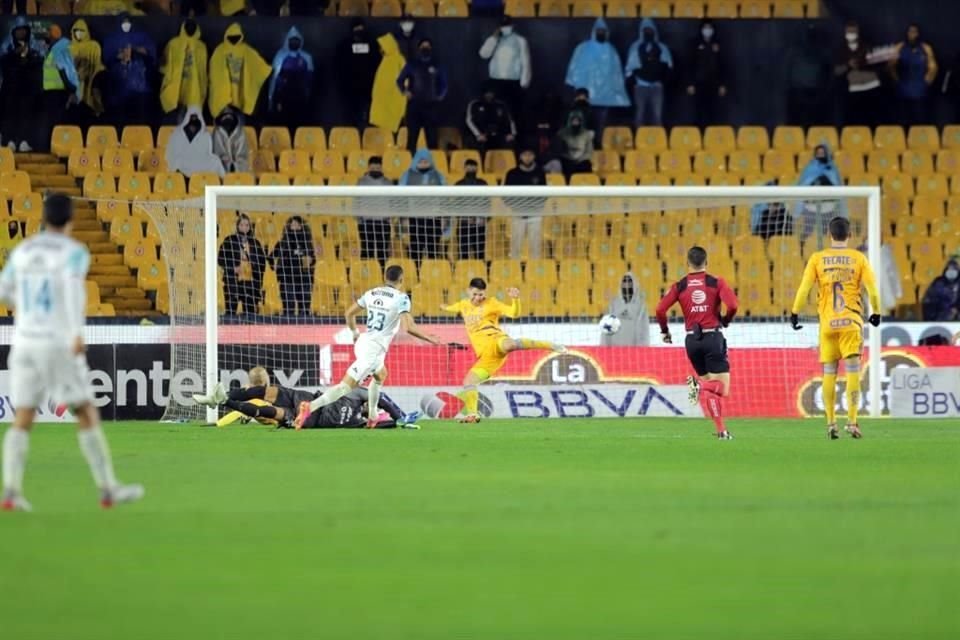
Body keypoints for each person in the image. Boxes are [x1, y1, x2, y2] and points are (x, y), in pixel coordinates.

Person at [0, 194, 144, 512]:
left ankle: (10, 492)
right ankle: (108, 489)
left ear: (43, 217)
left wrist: (27, 310)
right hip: (56, 342)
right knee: (86, 411)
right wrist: (74, 333)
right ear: (70, 219)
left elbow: (3, 289)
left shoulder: (24, 250)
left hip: (23, 341)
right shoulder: (74, 253)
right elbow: (71, 290)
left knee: (23, 416)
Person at [294, 265, 441, 429]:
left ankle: (372, 416)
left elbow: (349, 314)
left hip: (364, 341)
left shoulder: (372, 293)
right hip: (373, 349)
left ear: (385, 277)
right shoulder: (401, 298)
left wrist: (355, 333)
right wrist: (429, 338)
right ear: (401, 280)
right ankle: (310, 407)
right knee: (345, 387)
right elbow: (408, 327)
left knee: (380, 375)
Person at [791, 217, 880, 440]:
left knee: (829, 373)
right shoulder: (858, 258)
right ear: (850, 236)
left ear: (830, 235)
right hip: (850, 322)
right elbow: (872, 289)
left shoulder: (817, 258)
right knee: (852, 372)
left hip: (828, 324)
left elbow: (804, 289)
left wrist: (795, 312)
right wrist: (876, 312)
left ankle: (831, 423)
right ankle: (852, 422)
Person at [442, 278, 566, 423]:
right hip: (487, 358)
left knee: (510, 345)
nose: (478, 298)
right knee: (469, 381)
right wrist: (443, 307)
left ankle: (549, 345)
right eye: (475, 294)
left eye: (481, 295)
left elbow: (514, 313)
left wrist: (516, 300)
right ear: (468, 291)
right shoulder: (463, 305)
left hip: (496, 340)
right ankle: (472, 415)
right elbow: (452, 308)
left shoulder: (491, 303)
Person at [655, 246, 739, 440]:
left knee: (713, 388)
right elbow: (733, 305)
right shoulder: (716, 282)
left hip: (692, 341)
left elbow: (660, 309)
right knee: (722, 388)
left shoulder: (680, 285)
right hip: (712, 338)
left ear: (688, 263)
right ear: (706, 262)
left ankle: (721, 432)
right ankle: (699, 386)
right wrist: (725, 320)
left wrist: (665, 332)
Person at [565, 18, 629, 136]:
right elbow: (574, 66)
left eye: (603, 31)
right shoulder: (583, 48)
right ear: (594, 31)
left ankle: (599, 145)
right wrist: (574, 83)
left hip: (605, 96)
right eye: (599, 31)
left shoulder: (611, 50)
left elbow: (616, 73)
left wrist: (617, 90)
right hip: (585, 96)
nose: (601, 33)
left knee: (601, 125)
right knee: (582, 122)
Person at [193, 366, 316, 427]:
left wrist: (218, 424)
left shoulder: (256, 398)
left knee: (271, 411)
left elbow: (235, 414)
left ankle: (221, 399)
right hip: (310, 401)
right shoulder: (263, 394)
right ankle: (217, 399)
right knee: (270, 398)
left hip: (310, 414)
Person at [102, 14, 157, 128]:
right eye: (124, 22)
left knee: (140, 125)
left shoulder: (142, 36)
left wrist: (135, 49)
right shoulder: (111, 38)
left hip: (139, 88)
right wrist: (120, 55)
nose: (126, 24)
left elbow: (151, 54)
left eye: (128, 22)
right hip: (118, 90)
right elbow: (106, 59)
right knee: (120, 124)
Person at [397, 38, 448, 155]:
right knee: (412, 139)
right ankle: (410, 165)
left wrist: (439, 96)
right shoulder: (412, 64)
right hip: (414, 106)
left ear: (431, 48)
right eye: (423, 46)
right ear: (419, 48)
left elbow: (444, 84)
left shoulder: (437, 65)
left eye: (428, 46)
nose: (425, 48)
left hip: (430, 106)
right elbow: (399, 80)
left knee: (432, 139)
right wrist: (405, 91)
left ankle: (432, 167)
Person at [208, 23, 271, 118]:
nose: (234, 39)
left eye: (237, 36)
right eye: (232, 37)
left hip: (239, 94)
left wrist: (267, 69)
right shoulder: (220, 50)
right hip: (223, 100)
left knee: (239, 122)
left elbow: (259, 65)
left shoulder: (246, 50)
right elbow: (215, 73)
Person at [0, 19, 43, 152]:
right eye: (18, 30)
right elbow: (3, 63)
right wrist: (15, 54)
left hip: (28, 89)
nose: (21, 33)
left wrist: (28, 57)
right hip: (10, 89)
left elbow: (40, 60)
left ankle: (24, 141)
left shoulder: (34, 45)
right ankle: (10, 141)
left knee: (27, 115)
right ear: (13, 31)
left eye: (23, 30)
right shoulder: (6, 46)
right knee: (9, 115)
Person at [478, 15, 531, 120]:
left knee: (515, 111)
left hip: (513, 82)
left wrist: (525, 82)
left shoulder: (520, 40)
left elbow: (526, 61)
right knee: (495, 111)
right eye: (503, 25)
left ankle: (516, 135)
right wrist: (493, 38)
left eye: (507, 25)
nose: (505, 28)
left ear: (512, 25)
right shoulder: (494, 39)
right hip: (496, 81)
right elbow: (483, 54)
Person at [625, 18, 674, 128]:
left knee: (657, 116)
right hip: (640, 87)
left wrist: (663, 81)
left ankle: (657, 142)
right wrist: (635, 81)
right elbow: (629, 69)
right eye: (645, 30)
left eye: (650, 30)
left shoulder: (662, 48)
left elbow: (669, 67)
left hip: (657, 87)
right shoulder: (635, 47)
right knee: (639, 116)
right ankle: (638, 141)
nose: (648, 33)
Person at [400, 149, 446, 263]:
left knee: (433, 250)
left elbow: (444, 198)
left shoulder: (438, 176)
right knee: (416, 250)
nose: (424, 164)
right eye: (421, 161)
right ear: (416, 161)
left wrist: (444, 217)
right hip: (415, 219)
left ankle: (433, 274)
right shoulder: (407, 175)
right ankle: (416, 273)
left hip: (434, 219)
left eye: (426, 161)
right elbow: (401, 198)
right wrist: (404, 218)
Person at [833, 20, 882, 127]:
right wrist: (848, 65)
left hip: (870, 89)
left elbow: (878, 66)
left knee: (871, 120)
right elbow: (836, 71)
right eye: (849, 32)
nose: (851, 34)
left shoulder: (867, 47)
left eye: (853, 32)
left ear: (858, 32)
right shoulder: (840, 49)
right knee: (852, 121)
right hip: (852, 91)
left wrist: (863, 64)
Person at [217, 213, 268, 316]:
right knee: (231, 311)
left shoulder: (255, 243)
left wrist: (256, 273)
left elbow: (262, 263)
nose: (244, 227)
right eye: (242, 225)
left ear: (250, 227)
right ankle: (229, 330)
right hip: (233, 281)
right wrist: (233, 269)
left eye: (247, 225)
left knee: (250, 314)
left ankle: (250, 331)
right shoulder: (229, 240)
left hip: (251, 283)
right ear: (237, 226)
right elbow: (221, 259)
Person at [41, 25, 81, 155]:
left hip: (60, 93)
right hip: (51, 93)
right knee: (53, 124)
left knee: (59, 125)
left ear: (54, 36)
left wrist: (72, 91)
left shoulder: (60, 49)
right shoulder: (54, 49)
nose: (46, 38)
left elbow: (67, 71)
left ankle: (60, 151)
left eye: (48, 35)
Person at [786, 23, 832, 128]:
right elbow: (789, 75)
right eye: (809, 34)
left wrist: (822, 94)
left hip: (817, 95)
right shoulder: (794, 53)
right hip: (797, 94)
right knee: (796, 126)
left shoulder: (824, 54)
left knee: (817, 125)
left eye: (813, 35)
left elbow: (828, 76)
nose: (810, 38)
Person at [336, 18, 380, 130]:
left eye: (361, 29)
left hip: (367, 89)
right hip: (349, 91)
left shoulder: (372, 45)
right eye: (357, 29)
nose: (359, 32)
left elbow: (377, 64)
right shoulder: (344, 46)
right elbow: (339, 68)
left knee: (366, 121)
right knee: (349, 120)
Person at [268, 26, 314, 131]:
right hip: (284, 97)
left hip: (300, 97)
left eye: (296, 40)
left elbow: (310, 80)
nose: (294, 42)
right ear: (287, 40)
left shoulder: (307, 57)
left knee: (300, 127)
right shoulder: (280, 56)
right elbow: (274, 80)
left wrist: (308, 96)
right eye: (292, 40)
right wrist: (272, 99)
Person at [890, 23, 937, 126]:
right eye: (910, 31)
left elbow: (933, 67)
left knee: (920, 122)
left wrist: (926, 83)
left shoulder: (926, 48)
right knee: (903, 123)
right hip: (903, 89)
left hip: (920, 90)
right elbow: (890, 66)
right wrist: (897, 81)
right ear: (906, 33)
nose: (912, 34)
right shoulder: (899, 47)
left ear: (918, 33)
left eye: (915, 32)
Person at [159, 19, 208, 118]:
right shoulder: (173, 44)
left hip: (194, 88)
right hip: (176, 88)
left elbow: (202, 71)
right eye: (188, 26)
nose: (190, 28)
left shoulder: (201, 47)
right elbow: (165, 66)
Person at [504, 146, 545, 259]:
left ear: (534, 156)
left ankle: (535, 272)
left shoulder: (540, 173)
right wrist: (517, 207)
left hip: (535, 215)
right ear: (520, 156)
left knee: (536, 247)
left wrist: (534, 207)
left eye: (530, 154)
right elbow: (506, 196)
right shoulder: (512, 174)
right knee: (515, 247)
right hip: (517, 214)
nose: (527, 157)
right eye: (525, 155)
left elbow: (544, 194)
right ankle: (514, 270)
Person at [795, 144, 844, 240]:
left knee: (827, 231)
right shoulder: (810, 168)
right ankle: (802, 248)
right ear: (815, 154)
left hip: (828, 206)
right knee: (808, 229)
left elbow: (836, 185)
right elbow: (804, 183)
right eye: (818, 153)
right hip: (811, 205)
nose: (820, 155)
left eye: (822, 153)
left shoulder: (832, 169)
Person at [270, 216, 315, 317]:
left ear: (302, 227)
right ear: (288, 227)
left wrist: (311, 261)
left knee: (304, 309)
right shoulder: (282, 243)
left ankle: (304, 331)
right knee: (289, 309)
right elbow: (270, 257)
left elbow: (313, 260)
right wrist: (276, 267)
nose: (295, 227)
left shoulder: (307, 244)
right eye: (293, 224)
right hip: (288, 279)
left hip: (304, 279)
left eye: (298, 225)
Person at [685, 19, 726, 128]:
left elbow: (723, 65)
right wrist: (690, 83)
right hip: (699, 82)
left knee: (713, 111)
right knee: (698, 110)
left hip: (713, 83)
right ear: (701, 29)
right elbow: (690, 64)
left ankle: (711, 136)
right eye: (705, 28)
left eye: (709, 28)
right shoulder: (695, 44)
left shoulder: (718, 44)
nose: (707, 30)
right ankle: (698, 135)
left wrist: (722, 84)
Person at [166, 106, 225, 178]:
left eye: (196, 118)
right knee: (178, 162)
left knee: (216, 160)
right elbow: (172, 154)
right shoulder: (177, 134)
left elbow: (208, 153)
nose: (193, 121)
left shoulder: (206, 135)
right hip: (184, 161)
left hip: (200, 161)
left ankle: (224, 183)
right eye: (191, 117)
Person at [356, 156, 393, 265]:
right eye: (373, 168)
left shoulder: (388, 183)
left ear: (381, 168)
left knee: (383, 252)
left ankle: (382, 275)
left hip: (383, 222)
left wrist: (389, 218)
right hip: (366, 222)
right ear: (368, 168)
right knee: (367, 250)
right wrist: (359, 221)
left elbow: (392, 202)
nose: (375, 170)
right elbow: (357, 201)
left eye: (378, 168)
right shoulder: (361, 182)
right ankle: (366, 275)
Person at [69, 19, 105, 125]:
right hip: (75, 83)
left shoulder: (94, 45)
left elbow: (97, 62)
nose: (79, 33)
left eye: (82, 30)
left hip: (91, 81)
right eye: (76, 31)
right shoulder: (69, 47)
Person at [369, 33, 407, 134]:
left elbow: (405, 82)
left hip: (394, 103)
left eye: (382, 46)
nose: (381, 49)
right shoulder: (385, 60)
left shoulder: (399, 59)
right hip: (382, 103)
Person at [465, 83, 516, 152]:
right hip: (481, 134)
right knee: (477, 143)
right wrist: (478, 135)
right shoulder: (474, 104)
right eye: (487, 93)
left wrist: (512, 134)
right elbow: (469, 121)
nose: (489, 95)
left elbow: (510, 121)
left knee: (510, 142)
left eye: (491, 93)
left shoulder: (501, 105)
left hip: (498, 134)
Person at [601, 273, 649, 346]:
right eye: (624, 282)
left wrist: (642, 350)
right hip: (614, 350)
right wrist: (604, 347)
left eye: (629, 282)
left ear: (634, 284)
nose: (627, 284)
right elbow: (606, 329)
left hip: (633, 351)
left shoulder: (641, 306)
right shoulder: (613, 304)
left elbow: (644, 330)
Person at [454, 159, 488, 260]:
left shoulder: (483, 183)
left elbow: (487, 203)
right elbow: (456, 205)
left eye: (474, 166)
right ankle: (462, 273)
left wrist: (485, 218)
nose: (471, 169)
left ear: (477, 168)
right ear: (464, 168)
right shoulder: (458, 184)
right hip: (464, 223)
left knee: (480, 253)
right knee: (463, 253)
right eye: (469, 166)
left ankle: (481, 273)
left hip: (479, 223)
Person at [555, 110, 594, 178]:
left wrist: (580, 159)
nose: (575, 123)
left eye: (577, 121)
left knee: (586, 165)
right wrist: (569, 158)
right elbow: (560, 150)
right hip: (567, 160)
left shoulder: (587, 134)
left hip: (582, 161)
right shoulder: (562, 133)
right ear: (569, 121)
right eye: (573, 121)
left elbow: (589, 152)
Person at [212, 107, 250, 174]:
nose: (227, 118)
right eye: (225, 116)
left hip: (239, 166)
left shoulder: (240, 133)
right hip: (222, 166)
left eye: (230, 116)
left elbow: (242, 155)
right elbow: (218, 153)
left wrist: (235, 166)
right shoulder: (217, 132)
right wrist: (228, 164)